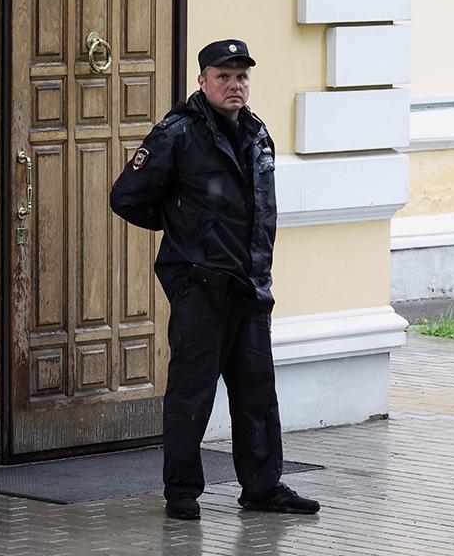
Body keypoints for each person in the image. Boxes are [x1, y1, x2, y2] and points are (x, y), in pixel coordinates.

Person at [109, 39, 320, 521]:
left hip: (249, 286)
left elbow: (262, 210)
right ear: (202, 81)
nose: (234, 85)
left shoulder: (257, 134)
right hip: (200, 288)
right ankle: (181, 492)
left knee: (257, 394)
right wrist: (185, 233)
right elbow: (126, 196)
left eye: (241, 76)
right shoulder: (178, 134)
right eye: (223, 76)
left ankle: (263, 487)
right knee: (191, 392)